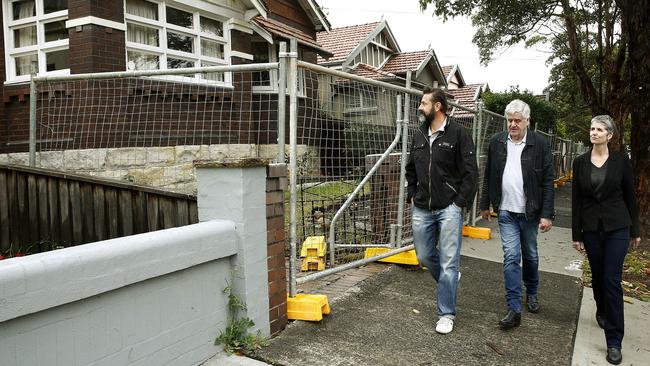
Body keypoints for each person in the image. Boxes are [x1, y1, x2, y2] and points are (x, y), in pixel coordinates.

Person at [405, 87, 478, 334]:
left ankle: (446, 314)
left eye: (424, 103)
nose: (420, 107)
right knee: (424, 256)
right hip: (422, 206)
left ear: (437, 107)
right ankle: (450, 279)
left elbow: (471, 173)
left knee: (449, 262)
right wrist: (412, 194)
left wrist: (459, 203)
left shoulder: (459, 134)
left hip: (449, 207)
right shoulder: (419, 135)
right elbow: (411, 168)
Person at [479, 99, 555, 330]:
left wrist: (547, 214)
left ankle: (531, 292)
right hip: (506, 211)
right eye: (509, 120)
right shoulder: (497, 142)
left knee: (530, 254)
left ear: (527, 122)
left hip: (530, 213)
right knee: (511, 257)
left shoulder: (540, 144)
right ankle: (514, 308)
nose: (512, 124)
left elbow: (548, 182)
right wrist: (485, 204)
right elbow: (489, 174)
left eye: (517, 121)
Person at [571, 115, 641, 365]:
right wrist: (576, 234)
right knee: (599, 277)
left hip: (617, 227)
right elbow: (577, 200)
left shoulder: (622, 161)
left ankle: (614, 340)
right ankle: (602, 308)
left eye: (600, 129)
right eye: (592, 128)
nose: (594, 132)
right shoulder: (580, 162)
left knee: (612, 279)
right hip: (591, 228)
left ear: (610, 135)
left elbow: (631, 196)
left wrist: (635, 229)